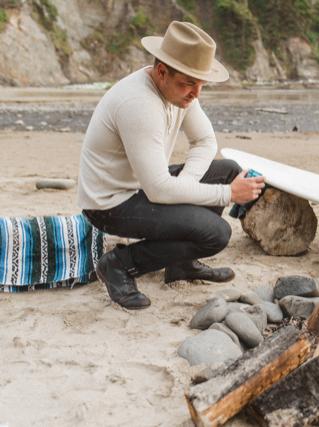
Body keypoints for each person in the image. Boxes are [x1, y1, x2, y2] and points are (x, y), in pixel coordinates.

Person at [78, 21, 265, 309]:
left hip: (145, 186)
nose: (196, 93)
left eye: (201, 84)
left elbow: (205, 141)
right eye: (189, 83)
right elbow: (159, 191)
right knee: (217, 233)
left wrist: (189, 184)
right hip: (110, 204)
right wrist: (228, 195)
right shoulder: (139, 104)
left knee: (226, 169)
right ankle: (118, 264)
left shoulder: (180, 92)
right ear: (161, 72)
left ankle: (181, 264)